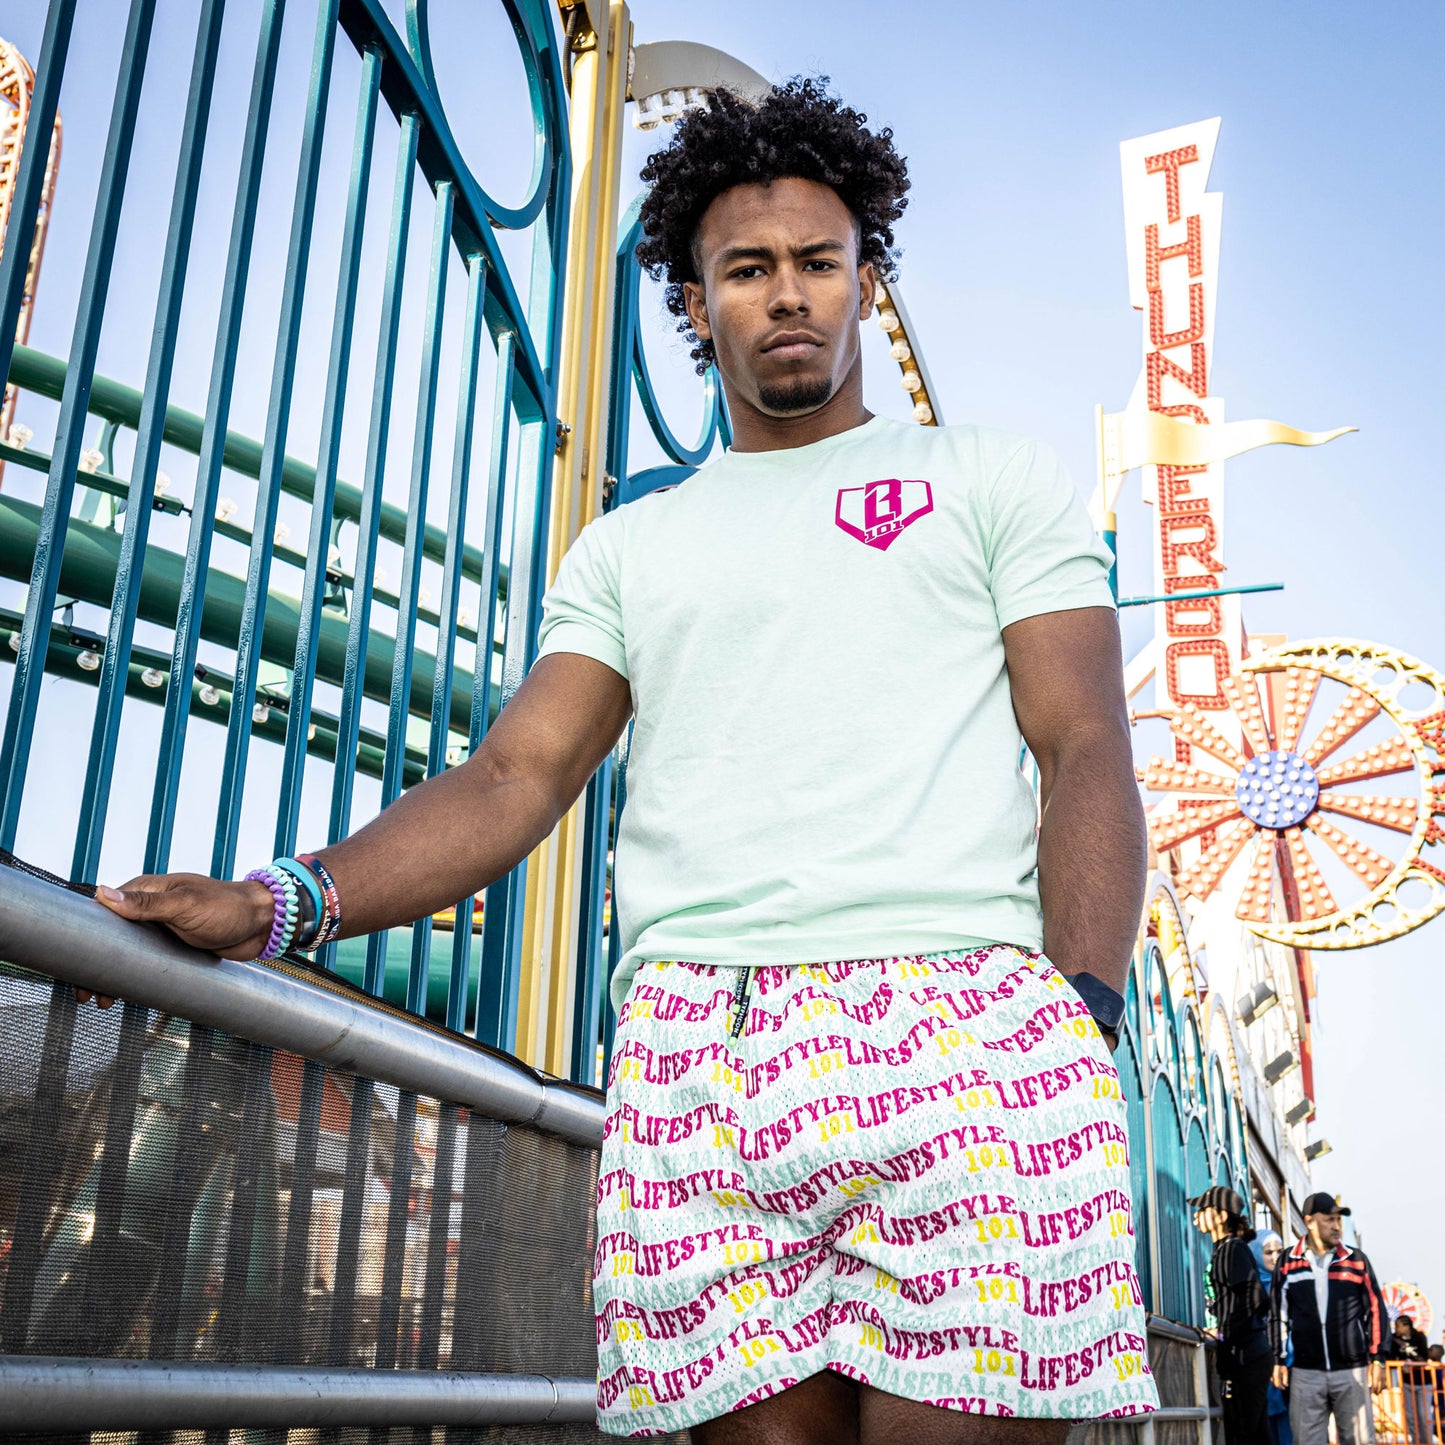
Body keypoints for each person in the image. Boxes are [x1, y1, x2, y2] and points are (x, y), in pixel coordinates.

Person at [84, 78, 1158, 1443]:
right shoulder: (628, 547)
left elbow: (1082, 741)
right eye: (747, 269)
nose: (787, 295)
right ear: (694, 302)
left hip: (961, 1013)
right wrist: (276, 901)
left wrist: (1081, 1011)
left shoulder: (992, 479)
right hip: (698, 1043)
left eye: (818, 262)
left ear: (865, 280)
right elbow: (514, 777)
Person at [1270, 1193, 1389, 1445]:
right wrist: (1278, 1359)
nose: (1336, 1226)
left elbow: (1376, 1309)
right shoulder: (1288, 1263)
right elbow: (1278, 1314)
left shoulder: (1355, 1260)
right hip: (1306, 1373)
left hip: (1352, 1371)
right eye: (1329, 1220)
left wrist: (1378, 1358)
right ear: (1309, 1222)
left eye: (1338, 1220)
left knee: (1359, 1441)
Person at [1193, 1187, 1271, 1444]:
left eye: (1203, 1209)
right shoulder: (1224, 1249)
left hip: (1247, 1357)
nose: (1196, 1216)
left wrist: (1223, 1332)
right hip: (1242, 1357)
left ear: (1221, 1216)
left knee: (1243, 1435)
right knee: (1255, 1435)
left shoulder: (1232, 1249)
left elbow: (1256, 1297)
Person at [1252, 1231, 1293, 1445]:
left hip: (1293, 1368)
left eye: (1280, 1251)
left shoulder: (1291, 1283)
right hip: (1262, 1369)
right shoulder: (1251, 1288)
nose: (1276, 1257)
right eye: (1268, 1252)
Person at [1389, 1314, 1434, 1443]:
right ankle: (1415, 1441)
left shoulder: (1419, 1337)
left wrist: (1412, 1364)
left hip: (1424, 1382)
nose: (1395, 1328)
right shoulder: (1394, 1339)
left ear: (1407, 1326)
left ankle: (1427, 1441)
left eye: (1398, 1326)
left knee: (1424, 1415)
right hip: (1407, 1382)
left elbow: (1424, 1358)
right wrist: (1401, 1364)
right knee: (1410, 1415)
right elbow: (1392, 1358)